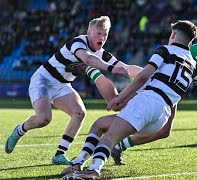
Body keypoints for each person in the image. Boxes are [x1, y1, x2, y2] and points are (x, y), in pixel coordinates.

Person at [61, 20, 197, 179]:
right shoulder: (193, 65)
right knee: (100, 124)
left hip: (147, 103)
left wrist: (121, 97)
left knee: (109, 138)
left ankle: (94, 170)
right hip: (161, 117)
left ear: (173, 34)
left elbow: (143, 76)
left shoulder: (165, 50)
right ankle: (77, 164)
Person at [65, 35, 197, 166]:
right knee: (118, 99)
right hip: (165, 78)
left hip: (174, 86)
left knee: (164, 132)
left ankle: (116, 147)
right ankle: (90, 68)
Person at [4, 16, 142, 165]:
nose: (102, 37)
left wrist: (150, 73)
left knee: (79, 113)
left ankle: (59, 155)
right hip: (43, 79)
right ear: (89, 32)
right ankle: (19, 130)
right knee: (44, 119)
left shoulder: (102, 53)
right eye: (98, 33)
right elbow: (88, 59)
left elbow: (126, 68)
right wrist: (112, 68)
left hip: (62, 84)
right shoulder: (78, 42)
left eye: (105, 34)